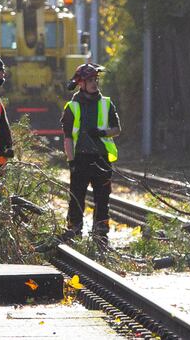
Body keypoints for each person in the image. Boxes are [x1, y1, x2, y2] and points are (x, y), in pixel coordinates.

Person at [61, 63, 121, 246]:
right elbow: (68, 138)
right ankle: (74, 231)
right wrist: (71, 162)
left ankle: (101, 235)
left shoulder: (106, 104)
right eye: (90, 80)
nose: (95, 83)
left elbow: (117, 129)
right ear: (81, 83)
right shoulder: (72, 107)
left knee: (103, 199)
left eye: (96, 80)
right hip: (81, 159)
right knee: (76, 198)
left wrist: (102, 133)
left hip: (101, 159)